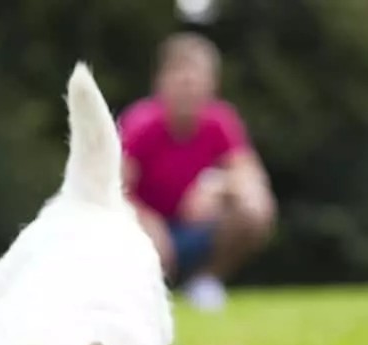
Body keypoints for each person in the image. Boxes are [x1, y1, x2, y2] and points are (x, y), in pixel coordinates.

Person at [117, 32, 277, 310]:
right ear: (161, 81)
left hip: (195, 230)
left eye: (196, 75)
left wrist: (218, 185)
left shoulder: (221, 121)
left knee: (255, 207)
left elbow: (251, 176)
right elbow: (111, 190)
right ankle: (142, 290)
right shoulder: (139, 124)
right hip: (145, 232)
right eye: (180, 74)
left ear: (211, 83)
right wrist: (144, 219)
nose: (188, 84)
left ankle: (205, 281)